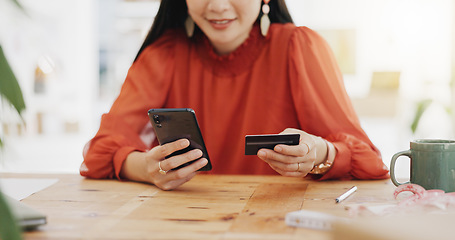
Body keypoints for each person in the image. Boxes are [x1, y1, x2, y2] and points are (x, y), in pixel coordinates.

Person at [80, 0, 389, 190]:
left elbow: (367, 161)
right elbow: (100, 151)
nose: (217, 5)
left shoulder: (300, 48)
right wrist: (147, 169)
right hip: (184, 223)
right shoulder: (163, 55)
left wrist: (320, 154)